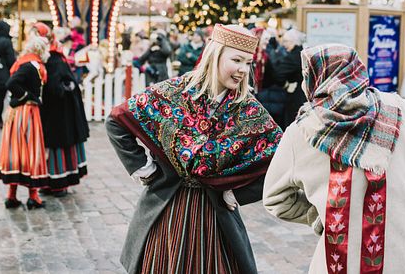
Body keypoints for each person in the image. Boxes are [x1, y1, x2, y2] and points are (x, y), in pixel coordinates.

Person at [262, 44, 405, 273]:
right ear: (357, 71)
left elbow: (275, 199)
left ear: (312, 79)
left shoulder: (301, 132)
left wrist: (321, 215)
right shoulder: (396, 109)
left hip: (338, 257)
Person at [106, 24, 283, 274]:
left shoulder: (248, 110)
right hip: (167, 210)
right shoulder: (173, 93)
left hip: (215, 217)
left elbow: (282, 157)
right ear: (216, 55)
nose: (243, 70)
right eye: (237, 60)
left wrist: (242, 194)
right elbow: (117, 120)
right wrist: (141, 167)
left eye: (248, 63)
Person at [0, 29, 50, 209]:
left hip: (19, 113)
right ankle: (33, 197)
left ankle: (12, 196)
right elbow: (11, 83)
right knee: (30, 151)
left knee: (16, 152)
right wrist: (28, 96)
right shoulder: (31, 66)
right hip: (26, 113)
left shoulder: (27, 63)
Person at [40, 31, 89, 196]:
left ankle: (58, 183)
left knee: (57, 146)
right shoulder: (54, 59)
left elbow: (56, 87)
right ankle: (52, 182)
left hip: (59, 113)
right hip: (57, 112)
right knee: (54, 146)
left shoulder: (54, 60)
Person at [273, 29, 306, 130]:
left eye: (286, 41)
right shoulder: (302, 53)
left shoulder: (292, 57)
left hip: (295, 95)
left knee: (291, 122)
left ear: (294, 41)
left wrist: (286, 84)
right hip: (302, 93)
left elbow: (278, 74)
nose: (284, 44)